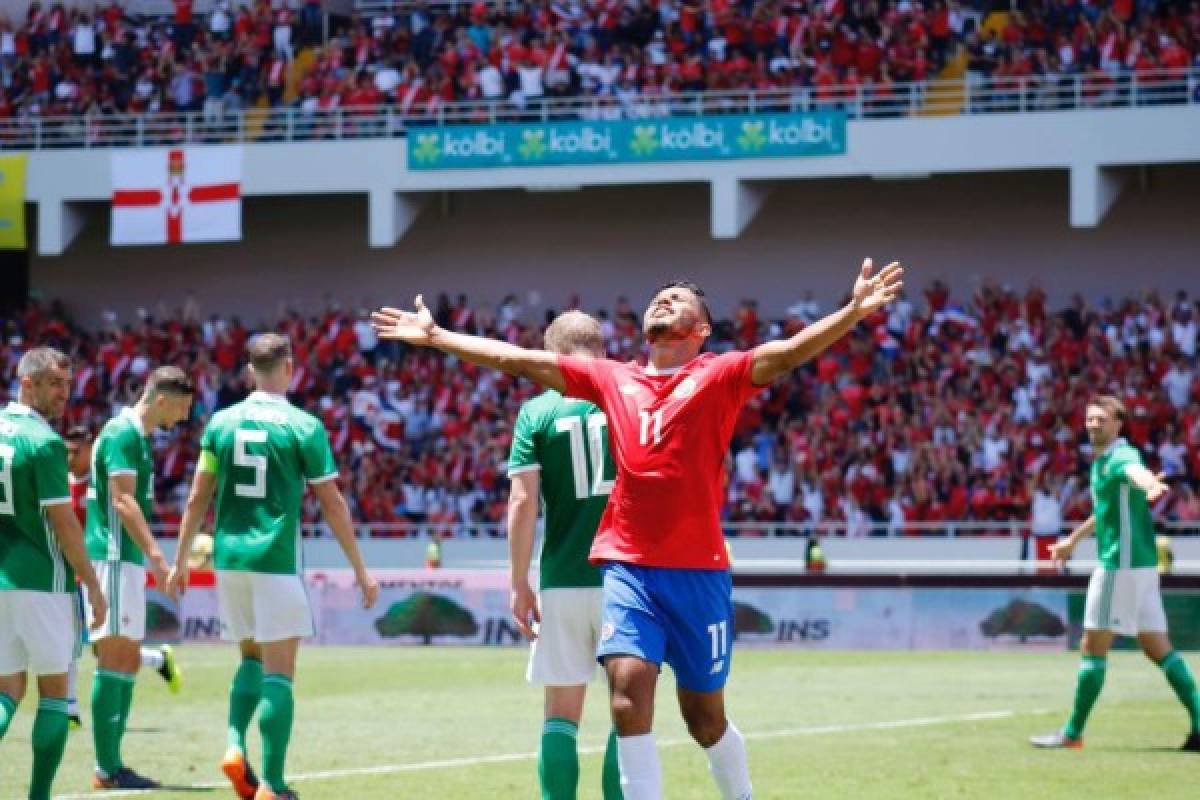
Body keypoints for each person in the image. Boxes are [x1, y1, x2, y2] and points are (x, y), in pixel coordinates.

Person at [373, 258, 904, 799]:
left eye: (679, 301)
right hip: (629, 568)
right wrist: (438, 336)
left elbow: (788, 354)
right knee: (625, 691)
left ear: (701, 331)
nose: (663, 301)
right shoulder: (613, 378)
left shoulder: (718, 375)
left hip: (698, 574)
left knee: (704, 721)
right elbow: (519, 360)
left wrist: (853, 312)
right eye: (660, 296)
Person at [169, 333, 380, 800]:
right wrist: (362, 569)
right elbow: (332, 502)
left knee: (248, 658)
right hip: (275, 561)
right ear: (289, 367)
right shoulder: (303, 426)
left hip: (229, 559)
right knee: (279, 673)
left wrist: (181, 559)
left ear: (248, 371)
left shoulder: (221, 424)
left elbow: (197, 497)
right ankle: (273, 783)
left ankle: (232, 743)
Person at [1030, 395, 1200, 752]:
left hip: (1118, 568)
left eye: (1101, 420)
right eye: (1090, 419)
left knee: (1092, 649)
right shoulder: (1102, 462)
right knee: (1159, 649)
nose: (1093, 425)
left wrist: (1148, 483)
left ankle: (1072, 734)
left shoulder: (1122, 456)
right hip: (1141, 568)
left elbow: (1134, 471)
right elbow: (1104, 511)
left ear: (1118, 425)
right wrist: (1071, 542)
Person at [507, 311, 622, 800]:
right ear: (601, 348)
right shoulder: (630, 395)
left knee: (560, 715)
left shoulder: (537, 412)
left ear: (554, 355)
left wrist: (519, 583)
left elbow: (522, 501)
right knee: (631, 715)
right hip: (627, 579)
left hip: (562, 578)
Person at [0, 347, 107, 800]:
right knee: (54, 695)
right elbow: (64, 523)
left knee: (6, 689)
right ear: (27, 382)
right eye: (52, 383)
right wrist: (95, 586)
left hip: (2, 580)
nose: (63, 393)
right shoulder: (43, 442)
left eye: (66, 383)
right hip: (45, 580)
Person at [83, 367, 195, 789]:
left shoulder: (137, 438)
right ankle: (106, 768)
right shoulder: (122, 434)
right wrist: (156, 557)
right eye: (182, 408)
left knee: (127, 658)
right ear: (162, 399)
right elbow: (123, 501)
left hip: (122, 560)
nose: (183, 418)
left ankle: (113, 766)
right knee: (114, 656)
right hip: (111, 558)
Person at [63, 426, 181, 731]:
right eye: (66, 451)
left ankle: (71, 708)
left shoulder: (102, 482)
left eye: (75, 452)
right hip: (73, 571)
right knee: (83, 643)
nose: (69, 457)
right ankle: (156, 660)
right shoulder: (64, 484)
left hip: (100, 568)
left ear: (91, 451)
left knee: (101, 646)